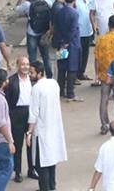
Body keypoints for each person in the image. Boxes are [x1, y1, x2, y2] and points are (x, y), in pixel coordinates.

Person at [26, 60, 67, 191]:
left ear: (40, 73)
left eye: (32, 73)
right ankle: (51, 185)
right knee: (51, 160)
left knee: (41, 163)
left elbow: (33, 113)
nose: (30, 75)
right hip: (54, 127)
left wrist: (29, 132)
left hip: (42, 130)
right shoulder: (54, 84)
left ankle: (45, 187)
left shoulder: (36, 89)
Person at [4, 58, 33, 183]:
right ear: (17, 66)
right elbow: (8, 100)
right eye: (23, 64)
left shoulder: (33, 79)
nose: (25, 67)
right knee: (18, 144)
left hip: (30, 112)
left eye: (27, 64)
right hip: (17, 113)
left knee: (30, 143)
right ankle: (18, 171)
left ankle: (32, 169)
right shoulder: (11, 81)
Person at [94, 15, 114, 134]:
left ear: (108, 25)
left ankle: (104, 125)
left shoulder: (101, 39)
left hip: (104, 74)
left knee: (103, 99)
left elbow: (96, 58)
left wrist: (96, 73)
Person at [53, 0, 82, 101]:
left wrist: (62, 42)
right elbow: (73, 30)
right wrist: (67, 42)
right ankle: (70, 93)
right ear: (74, 0)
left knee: (62, 67)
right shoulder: (74, 13)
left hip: (61, 43)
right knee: (72, 68)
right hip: (72, 45)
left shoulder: (60, 11)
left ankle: (60, 91)